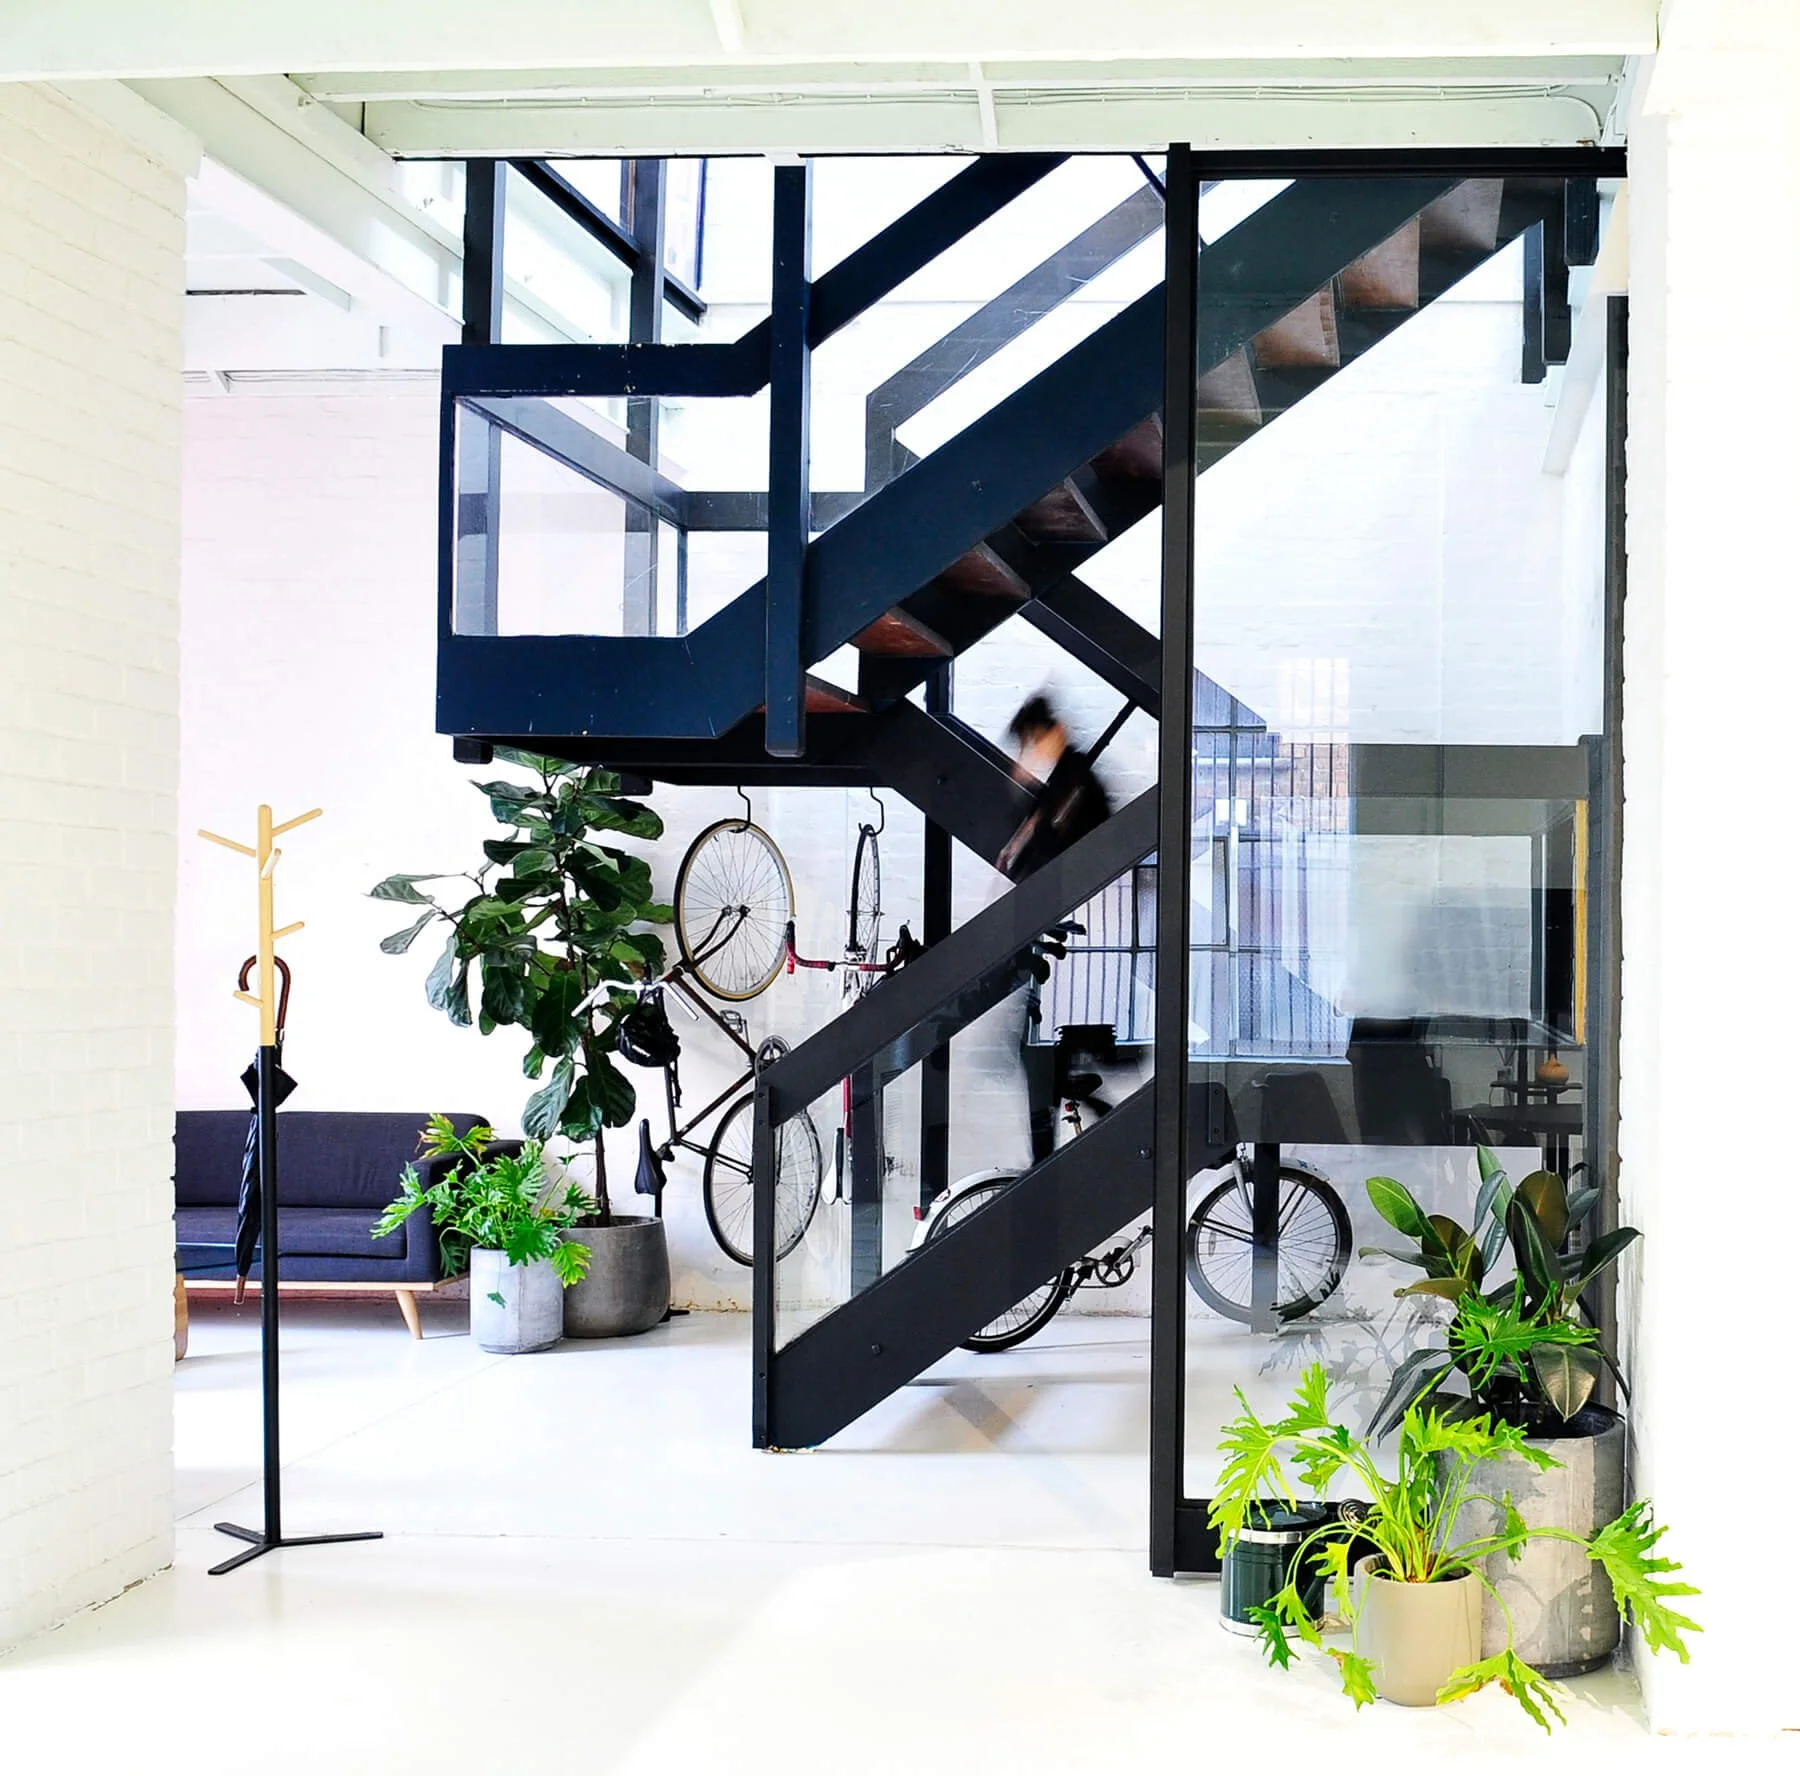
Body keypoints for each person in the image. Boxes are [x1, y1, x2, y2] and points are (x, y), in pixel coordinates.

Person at [995, 693, 1112, 880]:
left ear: (1057, 731)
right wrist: (1013, 846)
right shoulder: (1064, 773)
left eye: (1036, 741)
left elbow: (1053, 821)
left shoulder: (1073, 774)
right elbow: (1044, 809)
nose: (1037, 752)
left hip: (1084, 861)